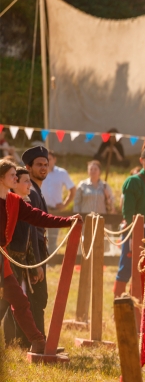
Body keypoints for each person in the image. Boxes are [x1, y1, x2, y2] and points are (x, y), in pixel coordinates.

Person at [0, 159, 79, 353]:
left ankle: (38, 341)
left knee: (19, 301)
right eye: (12, 175)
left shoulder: (14, 201)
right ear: (1, 178)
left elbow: (38, 216)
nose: (15, 178)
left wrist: (67, 221)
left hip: (2, 261)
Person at [3, 167, 47, 347]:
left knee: (17, 303)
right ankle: (13, 341)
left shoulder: (24, 204)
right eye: (25, 181)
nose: (30, 184)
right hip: (7, 260)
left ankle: (29, 341)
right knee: (7, 303)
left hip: (18, 263)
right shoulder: (7, 205)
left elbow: (30, 238)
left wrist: (34, 264)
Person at [115, 146, 145, 297]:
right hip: (132, 230)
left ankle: (136, 305)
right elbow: (128, 211)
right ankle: (119, 305)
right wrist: (131, 234)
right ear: (141, 161)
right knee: (127, 266)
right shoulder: (133, 181)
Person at [20, 147, 52, 336]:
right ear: (28, 167)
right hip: (33, 252)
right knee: (35, 298)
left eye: (46, 164)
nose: (43, 168)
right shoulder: (30, 192)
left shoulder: (36, 190)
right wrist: (35, 263)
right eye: (39, 164)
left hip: (38, 249)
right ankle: (36, 341)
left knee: (36, 298)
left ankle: (35, 339)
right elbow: (31, 229)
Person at [41, 152, 75, 250]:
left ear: (54, 159)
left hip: (55, 210)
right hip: (41, 208)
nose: (47, 161)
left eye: (49, 159)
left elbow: (72, 189)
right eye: (45, 159)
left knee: (52, 238)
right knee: (40, 237)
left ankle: (51, 263)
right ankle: (41, 263)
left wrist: (65, 205)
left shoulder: (62, 173)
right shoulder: (40, 172)